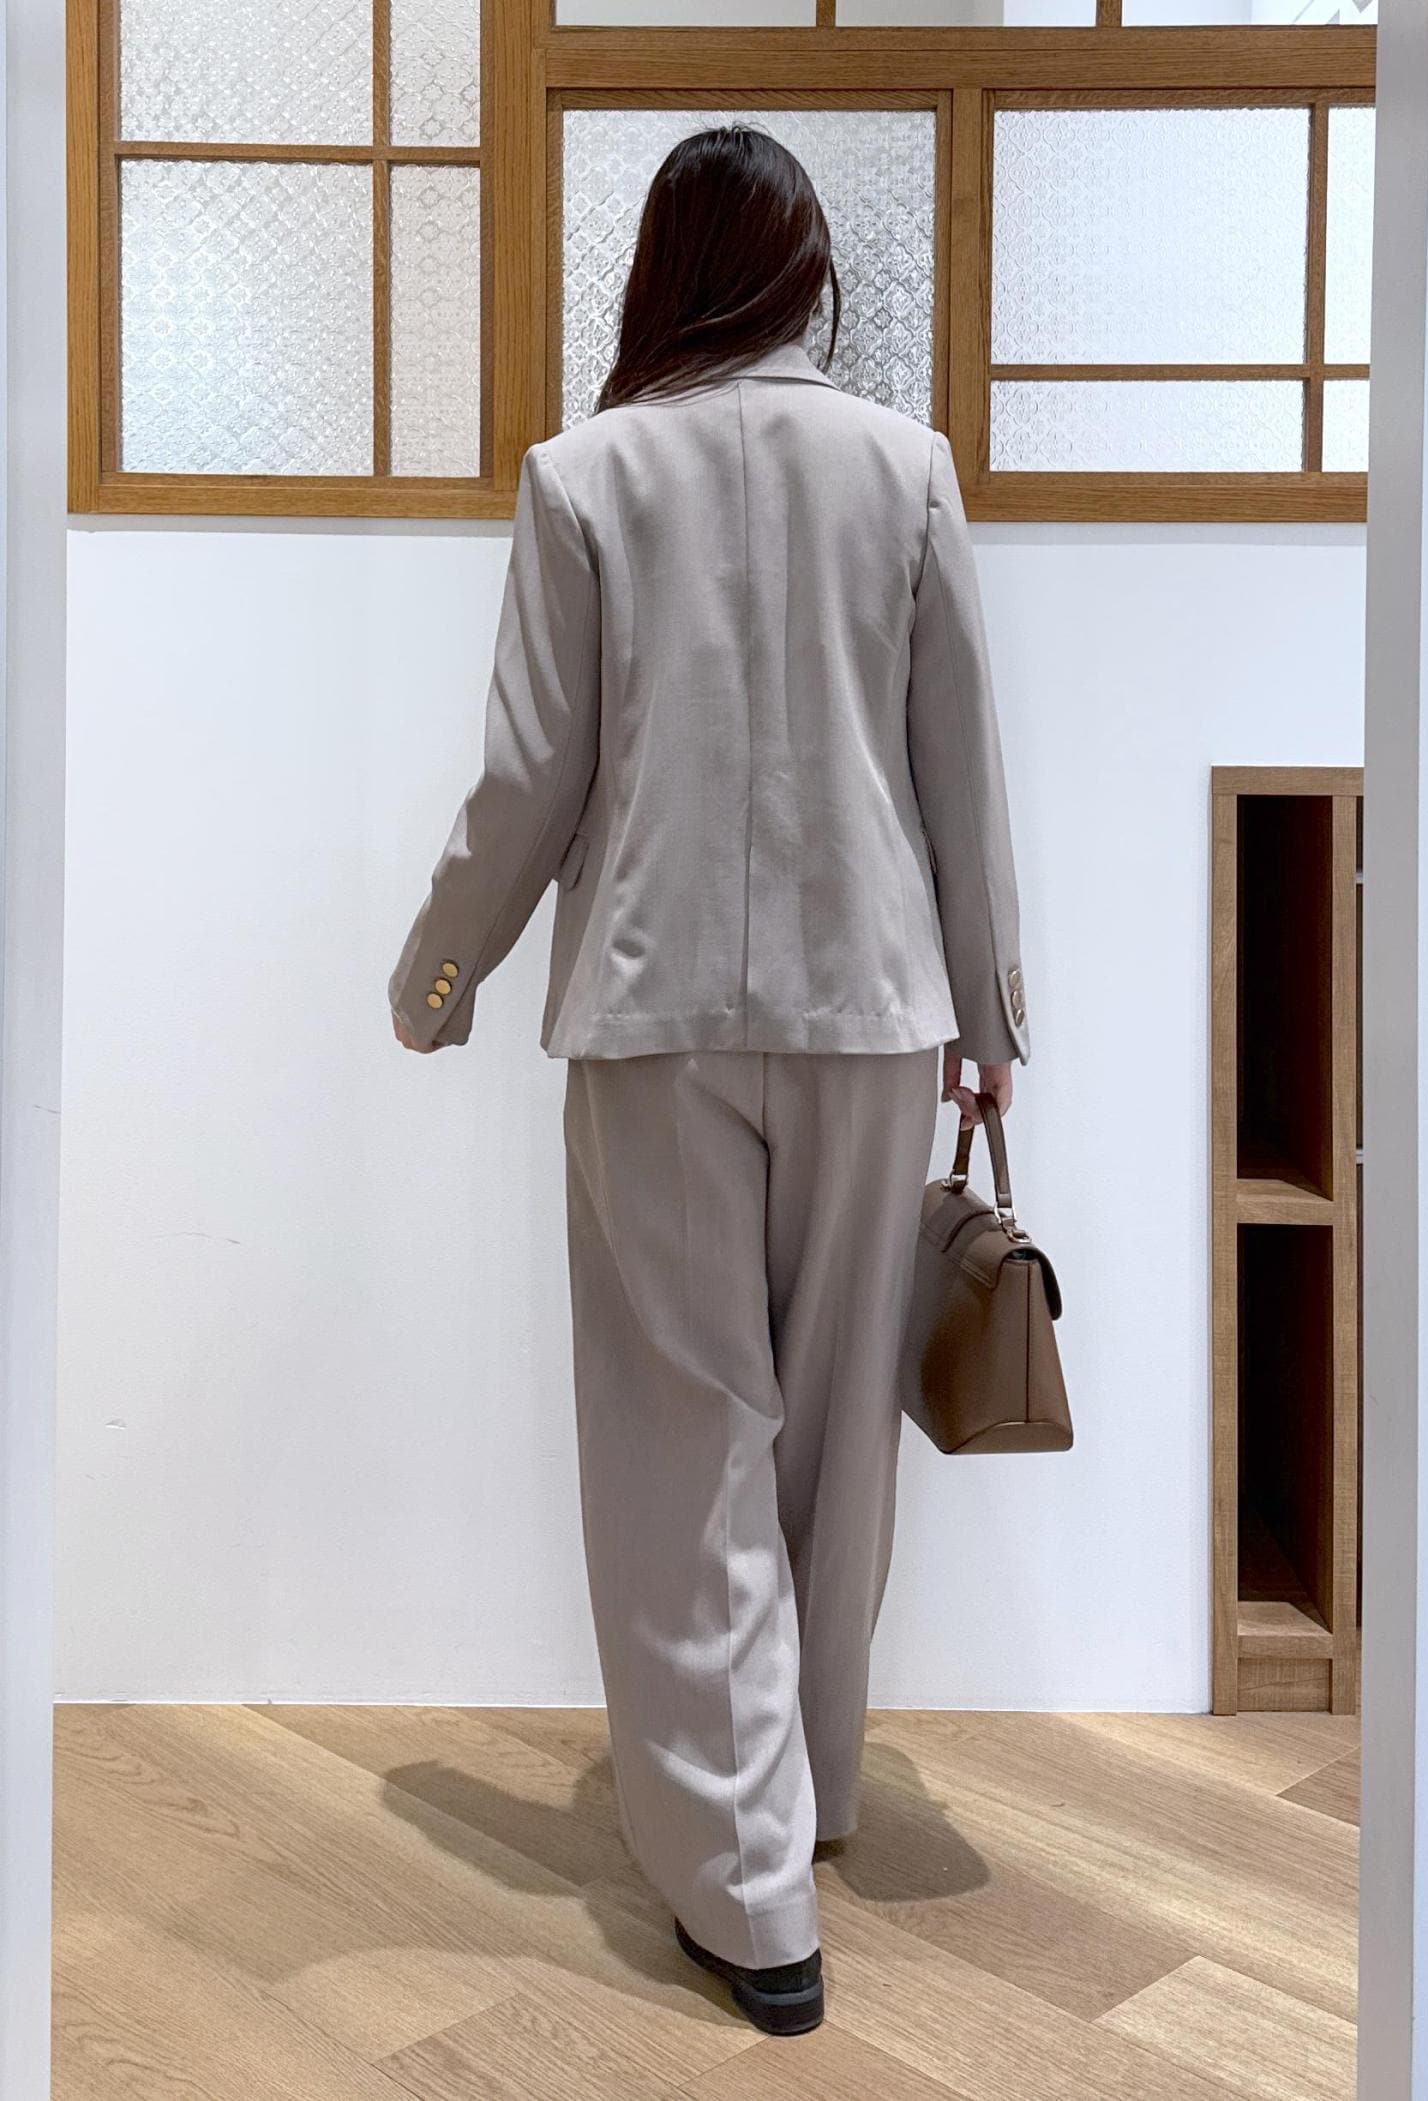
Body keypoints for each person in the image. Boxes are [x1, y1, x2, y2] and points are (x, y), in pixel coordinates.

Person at [388, 125, 1030, 2038]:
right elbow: (962, 768)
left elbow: (532, 778)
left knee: (687, 1439)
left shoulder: (584, 475)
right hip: (875, 1020)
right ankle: (803, 1796)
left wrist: (439, 975)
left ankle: (750, 1890)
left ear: (663, 273)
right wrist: (991, 1020)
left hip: (655, 1024)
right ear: (805, 275)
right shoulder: (905, 467)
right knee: (829, 1436)